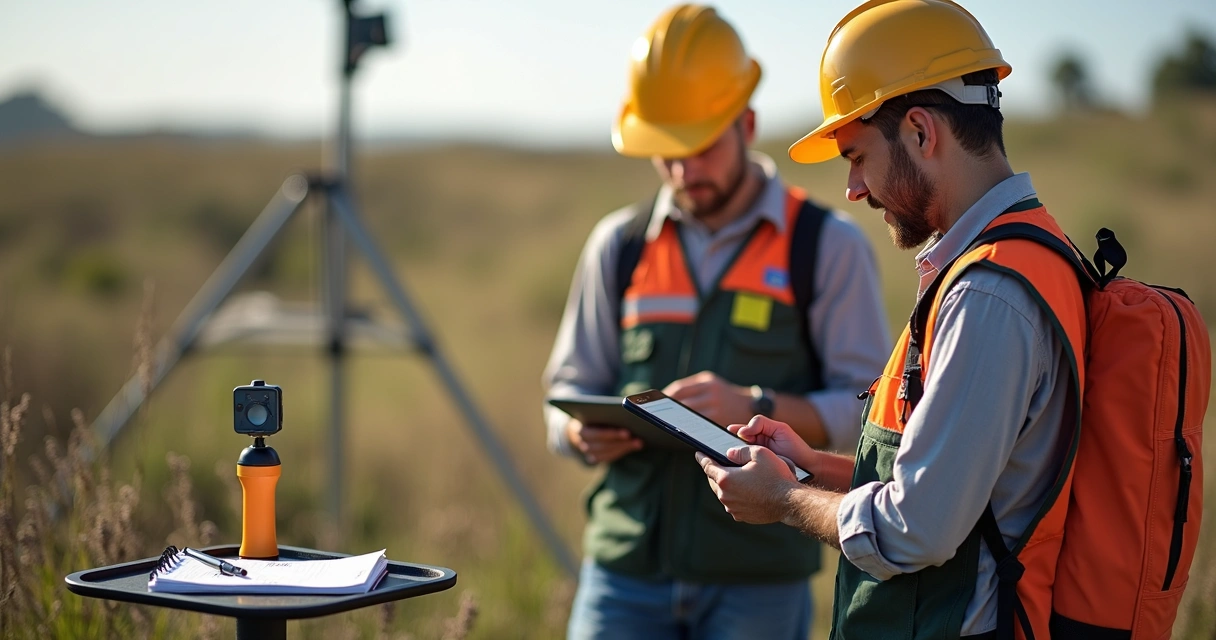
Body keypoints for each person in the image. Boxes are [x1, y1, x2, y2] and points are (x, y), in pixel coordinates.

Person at [696, 1, 1091, 639]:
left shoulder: (989, 293)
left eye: (856, 156)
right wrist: (813, 467)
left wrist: (784, 501)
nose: (853, 188)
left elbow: (918, 530)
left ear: (919, 132)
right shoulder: (1016, 259)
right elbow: (955, 482)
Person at [542, 4, 890, 639]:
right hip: (623, 578)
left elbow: (872, 413)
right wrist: (578, 436)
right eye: (665, 153)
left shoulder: (824, 246)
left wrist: (757, 403)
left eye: (698, 147)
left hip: (756, 585)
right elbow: (562, 395)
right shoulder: (617, 247)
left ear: (746, 122)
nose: (683, 172)